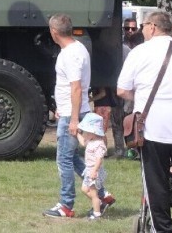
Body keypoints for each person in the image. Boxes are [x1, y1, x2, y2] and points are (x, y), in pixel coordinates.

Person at [117, 10, 172, 233]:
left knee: (156, 185)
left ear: (153, 27)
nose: (142, 29)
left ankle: (163, 229)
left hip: (152, 128)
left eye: (144, 25)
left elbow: (122, 90)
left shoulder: (139, 53)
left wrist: (142, 97)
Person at [43, 13, 114, 218]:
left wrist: (73, 119)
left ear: (54, 32)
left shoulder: (69, 54)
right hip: (72, 110)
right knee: (73, 157)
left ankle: (66, 205)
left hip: (73, 114)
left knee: (63, 160)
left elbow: (76, 88)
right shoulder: (79, 47)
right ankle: (102, 194)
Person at [77, 112, 108, 220]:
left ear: (93, 132)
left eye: (87, 131)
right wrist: (77, 133)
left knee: (94, 193)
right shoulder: (91, 140)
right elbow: (83, 142)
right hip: (88, 170)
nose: (85, 133)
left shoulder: (99, 144)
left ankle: (96, 214)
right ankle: (99, 203)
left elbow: (99, 159)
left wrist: (94, 171)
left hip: (94, 171)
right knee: (84, 189)